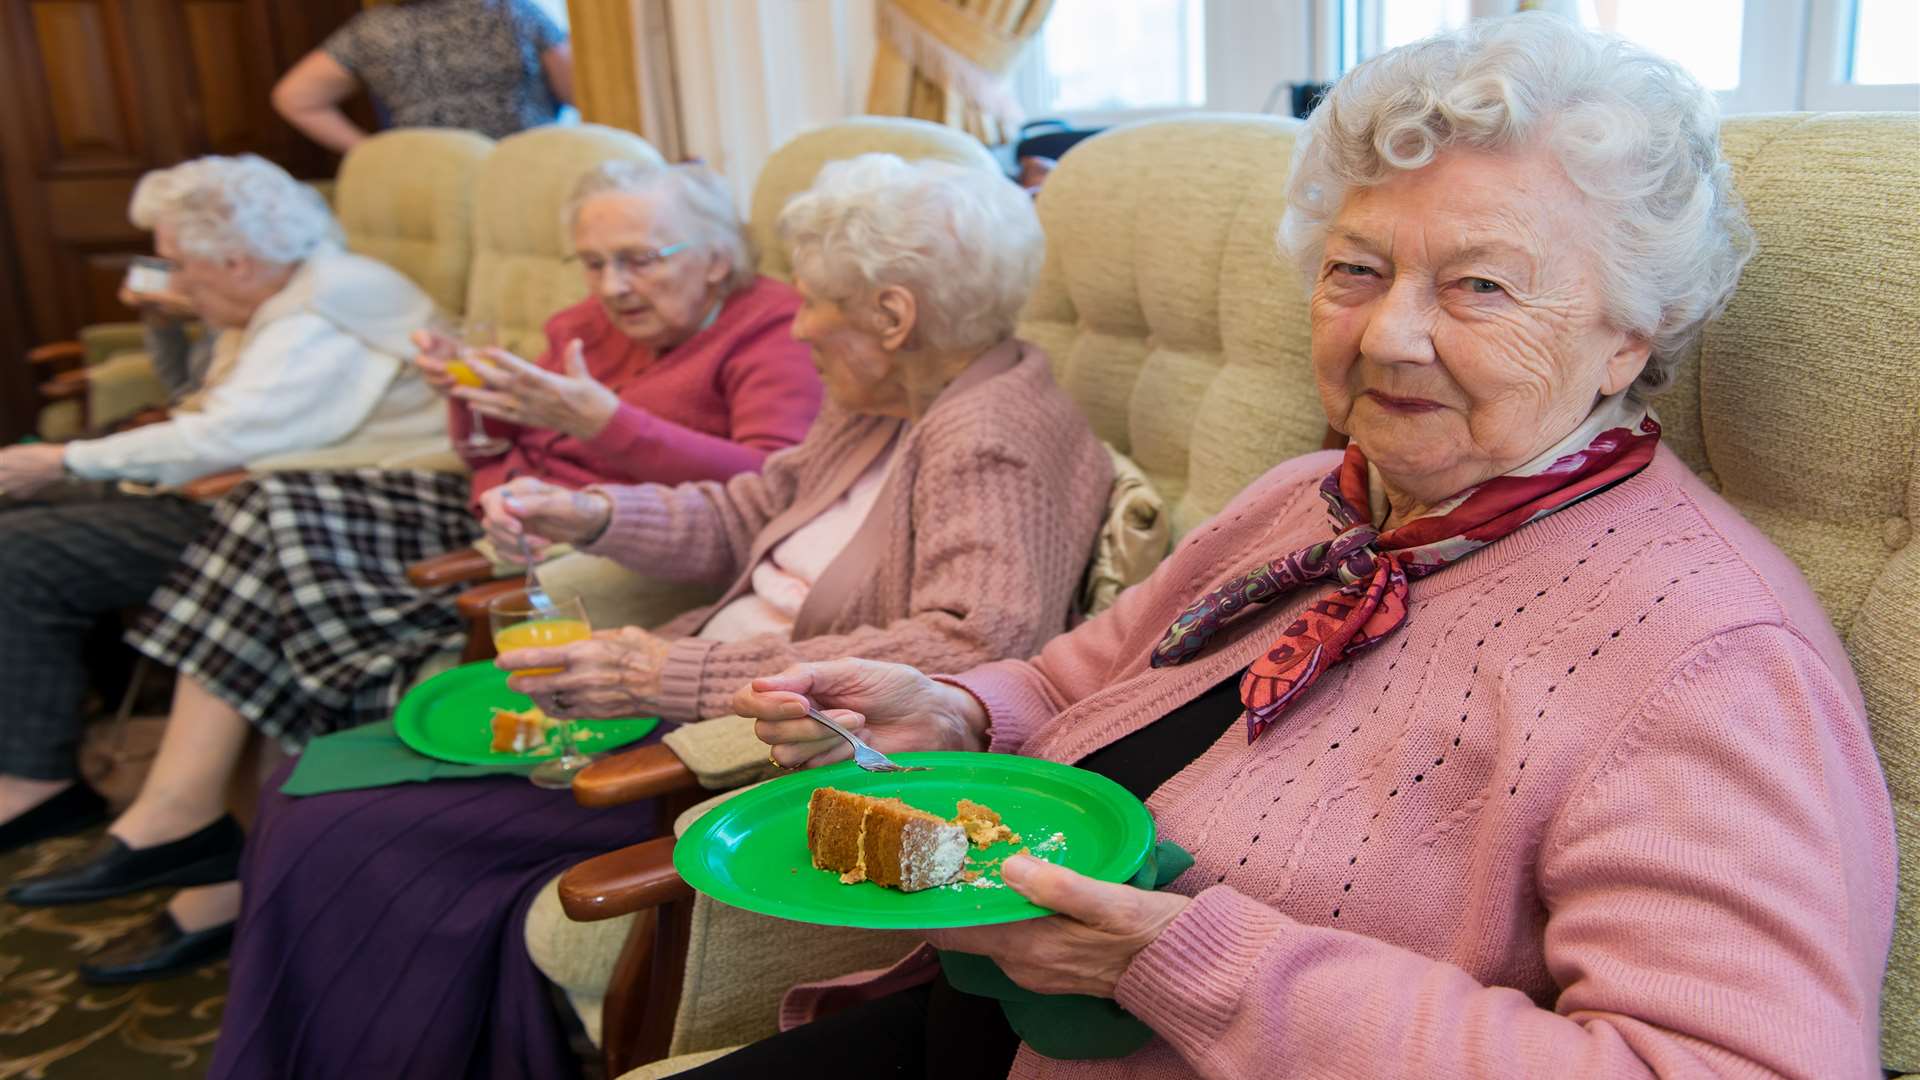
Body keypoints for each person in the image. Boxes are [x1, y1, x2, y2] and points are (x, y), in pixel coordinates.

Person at [727, 16, 1896, 1080]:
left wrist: (1193, 966)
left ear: (1629, 336)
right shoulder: (1315, 497)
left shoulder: (1708, 658)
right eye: (1357, 270)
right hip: (986, 1013)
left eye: (1480, 286)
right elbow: (1080, 684)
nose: (1390, 335)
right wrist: (956, 714)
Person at [200, 153, 1113, 1079]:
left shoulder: (990, 436)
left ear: (893, 314)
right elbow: (750, 510)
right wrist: (595, 516)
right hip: (676, 701)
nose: (795, 328)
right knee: (313, 781)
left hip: (739, 755)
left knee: (341, 823)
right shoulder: (885, 402)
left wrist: (661, 674)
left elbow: (973, 644)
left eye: (808, 302)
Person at [5, 161, 824, 985]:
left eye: (640, 258)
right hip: (513, 524)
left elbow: (767, 485)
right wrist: (481, 445)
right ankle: (193, 829)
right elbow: (501, 451)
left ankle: (197, 835)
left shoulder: (769, 329)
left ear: (717, 257)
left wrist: (604, 424)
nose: (613, 285)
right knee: (267, 508)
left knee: (274, 520)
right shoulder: (583, 323)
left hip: (619, 539)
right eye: (594, 260)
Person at [0, 154, 442, 854]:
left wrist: (58, 458)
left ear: (237, 261)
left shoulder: (322, 311)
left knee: (15, 553)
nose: (171, 277)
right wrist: (168, 321)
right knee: (18, 523)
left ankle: (38, 777)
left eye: (179, 263)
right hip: (237, 494)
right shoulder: (280, 293)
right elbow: (195, 402)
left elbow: (224, 434)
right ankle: (52, 745)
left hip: (301, 519)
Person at [272, 0, 573, 153]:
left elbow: (293, 97)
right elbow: (574, 88)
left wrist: (369, 151)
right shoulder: (511, 11)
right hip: (519, 163)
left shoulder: (372, 30)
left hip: (428, 176)